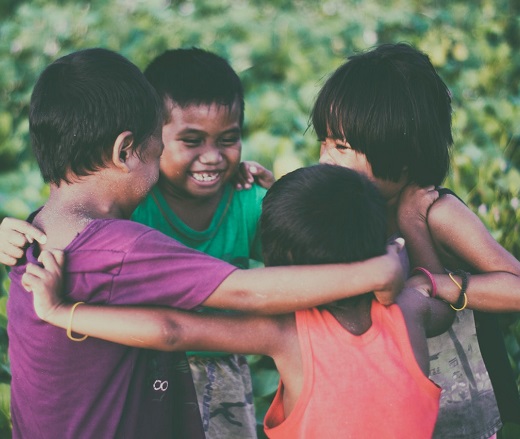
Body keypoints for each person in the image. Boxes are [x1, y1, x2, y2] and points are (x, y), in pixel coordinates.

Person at [6, 48, 405, 439]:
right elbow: (246, 292)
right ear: (125, 150)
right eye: (157, 147)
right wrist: (375, 271)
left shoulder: (35, 234)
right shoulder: (120, 247)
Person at [22, 164, 455, 439]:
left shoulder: (286, 333)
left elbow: (171, 330)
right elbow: (437, 295)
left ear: (280, 265)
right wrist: (408, 235)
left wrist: (61, 312)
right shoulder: (411, 309)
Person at [313, 42, 520, 438]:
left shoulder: (438, 213)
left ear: (403, 158)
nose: (325, 159)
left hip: (459, 400)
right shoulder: (351, 203)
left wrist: (436, 276)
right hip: (389, 400)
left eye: (340, 147)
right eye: (324, 141)